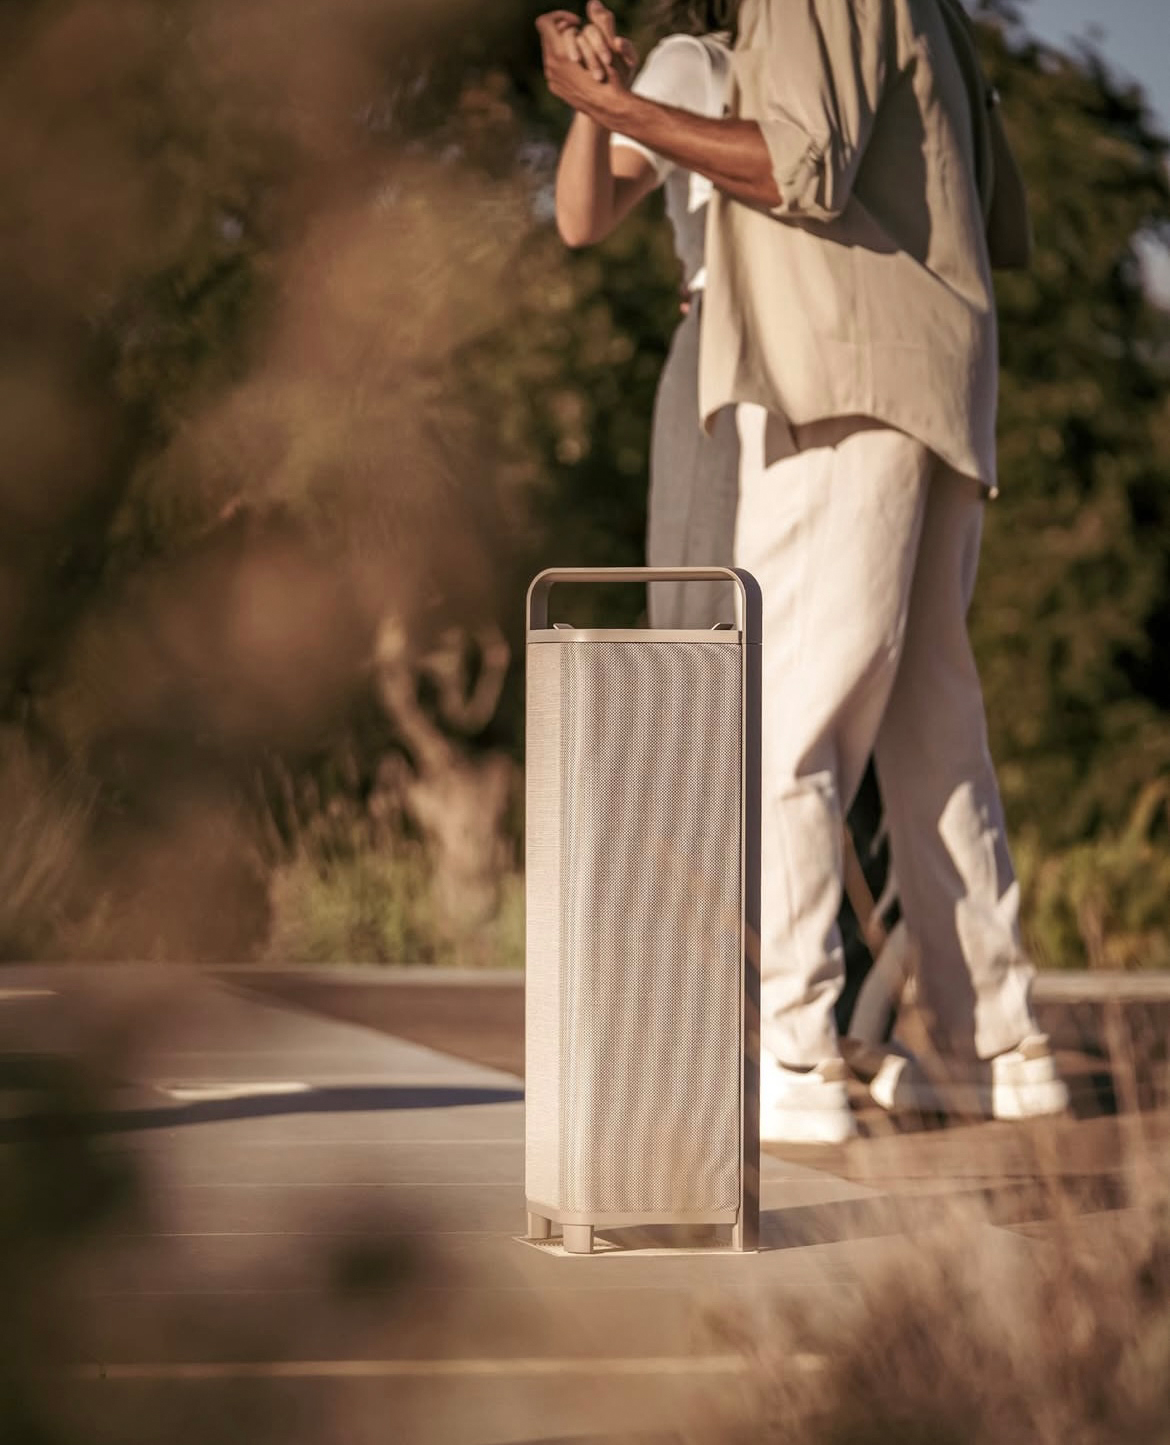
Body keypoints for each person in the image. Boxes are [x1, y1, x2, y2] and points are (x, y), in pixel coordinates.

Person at [536, 0, 1069, 1143]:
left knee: (785, 719)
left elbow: (801, 167)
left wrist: (614, 104)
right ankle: (998, 1043)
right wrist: (606, 111)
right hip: (923, 372)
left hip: (828, 367)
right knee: (932, 729)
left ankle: (796, 1049)